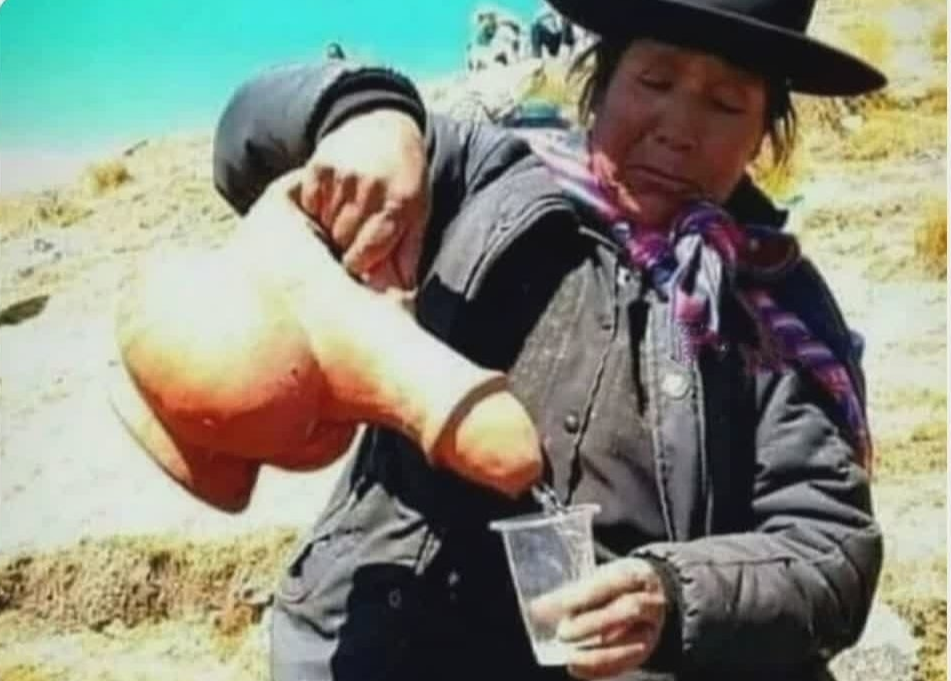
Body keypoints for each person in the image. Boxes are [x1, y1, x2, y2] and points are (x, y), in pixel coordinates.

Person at [203, 0, 887, 678]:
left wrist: (674, 594)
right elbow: (249, 135)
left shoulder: (775, 313)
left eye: (726, 104)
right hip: (383, 653)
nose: (679, 129)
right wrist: (363, 114)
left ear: (762, 137)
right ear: (600, 83)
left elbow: (829, 547)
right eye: (654, 81)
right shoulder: (479, 181)